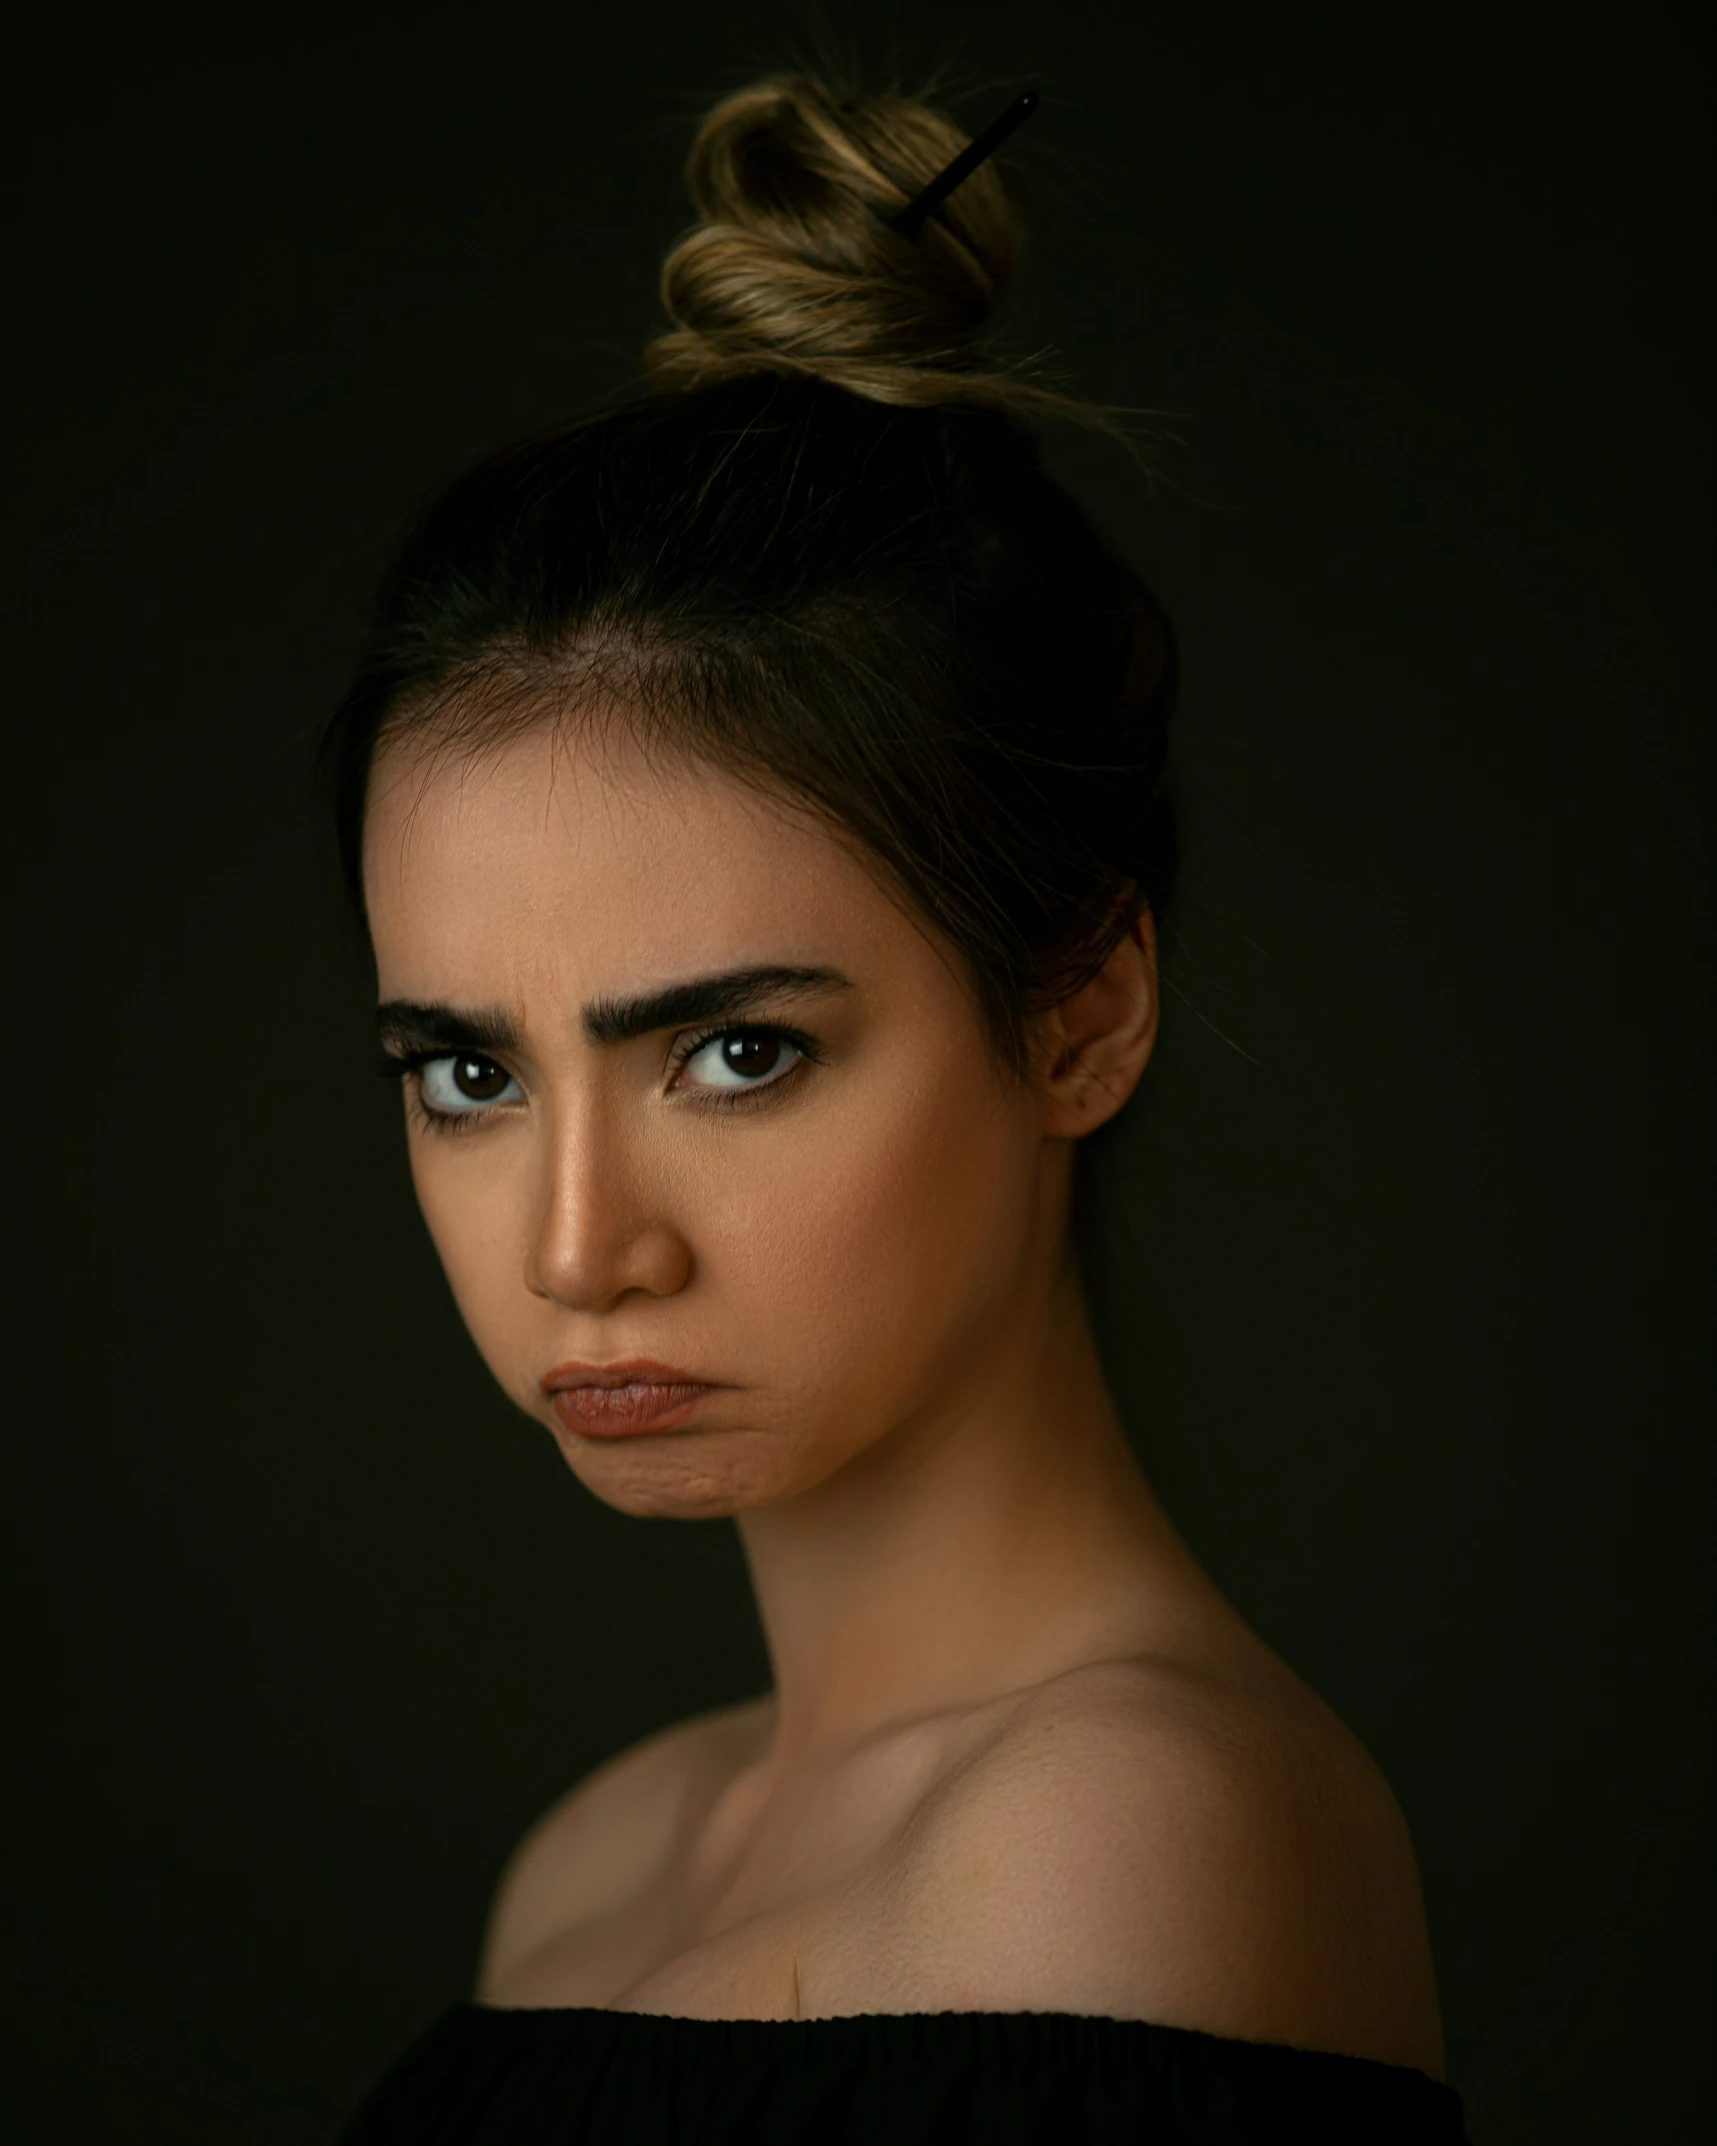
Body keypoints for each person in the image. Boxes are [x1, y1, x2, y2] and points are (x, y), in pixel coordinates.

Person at [329, 68, 1469, 2145]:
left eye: (737, 1050)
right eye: (471, 1072)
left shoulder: (1132, 1833)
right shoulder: (594, 1858)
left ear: (1080, 1018)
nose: (581, 1245)